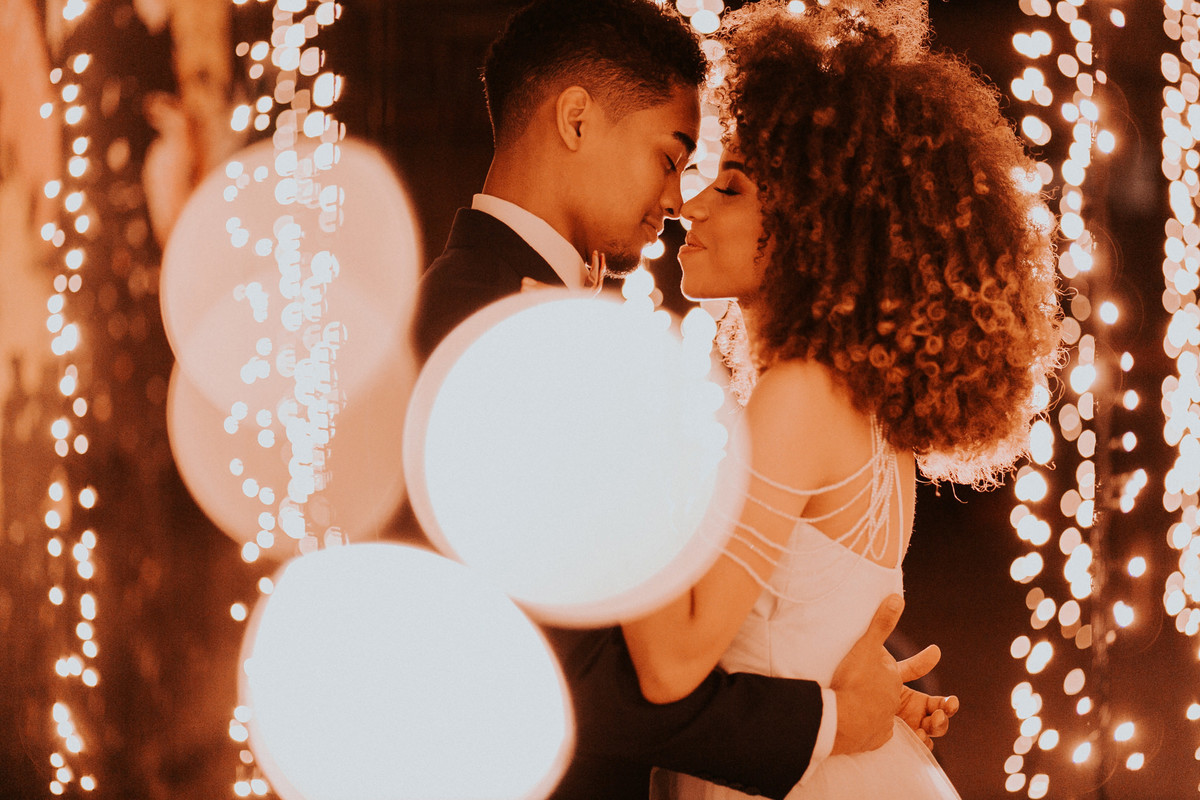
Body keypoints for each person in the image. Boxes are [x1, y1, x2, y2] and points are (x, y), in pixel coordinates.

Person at [410, 1, 959, 798]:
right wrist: (827, 718)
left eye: (717, 182)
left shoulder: (559, 325)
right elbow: (545, 668)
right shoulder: (485, 324)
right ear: (575, 119)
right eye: (670, 158)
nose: (679, 202)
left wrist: (829, 679)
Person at [620, 1, 1063, 797]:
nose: (691, 205)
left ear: (810, 227)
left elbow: (672, 664)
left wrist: (613, 453)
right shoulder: (851, 400)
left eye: (731, 187)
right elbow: (809, 628)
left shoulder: (799, 395)